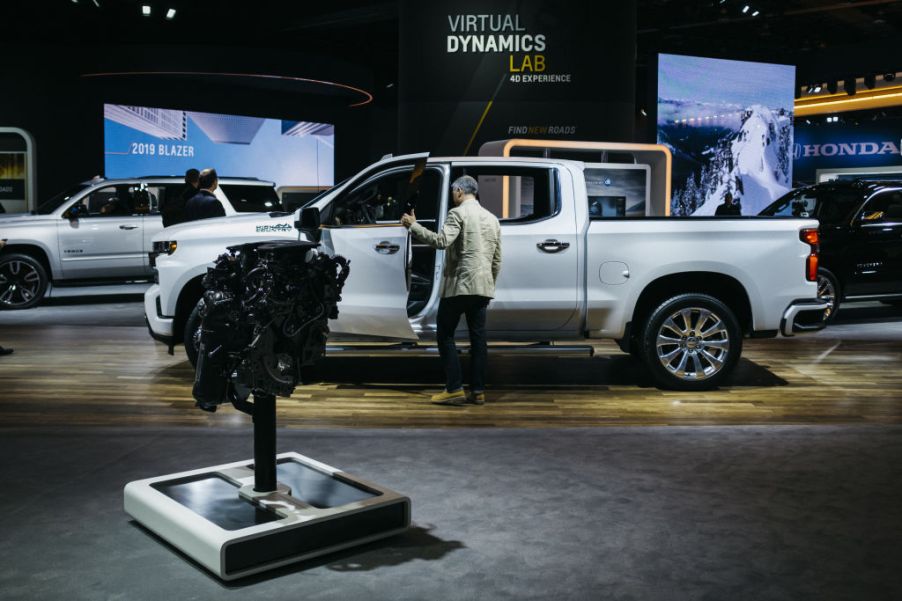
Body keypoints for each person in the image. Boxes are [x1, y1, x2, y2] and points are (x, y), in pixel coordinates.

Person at [401, 175, 502, 406]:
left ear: (458, 191)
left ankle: (454, 388)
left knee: (445, 335)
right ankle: (478, 391)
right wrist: (488, 286)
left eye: (452, 192)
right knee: (478, 339)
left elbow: (441, 241)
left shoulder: (457, 213)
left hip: (459, 287)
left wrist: (413, 226)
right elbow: (497, 260)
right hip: (482, 287)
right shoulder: (492, 219)